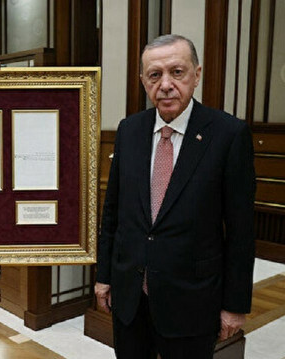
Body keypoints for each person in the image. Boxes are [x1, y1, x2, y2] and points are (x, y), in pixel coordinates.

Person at [95, 34, 255, 358]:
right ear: (143, 81)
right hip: (130, 299)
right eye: (155, 75)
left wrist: (234, 306)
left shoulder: (228, 135)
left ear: (196, 75)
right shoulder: (129, 130)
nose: (165, 84)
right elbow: (112, 212)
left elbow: (241, 231)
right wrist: (104, 277)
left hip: (192, 303)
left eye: (177, 72)